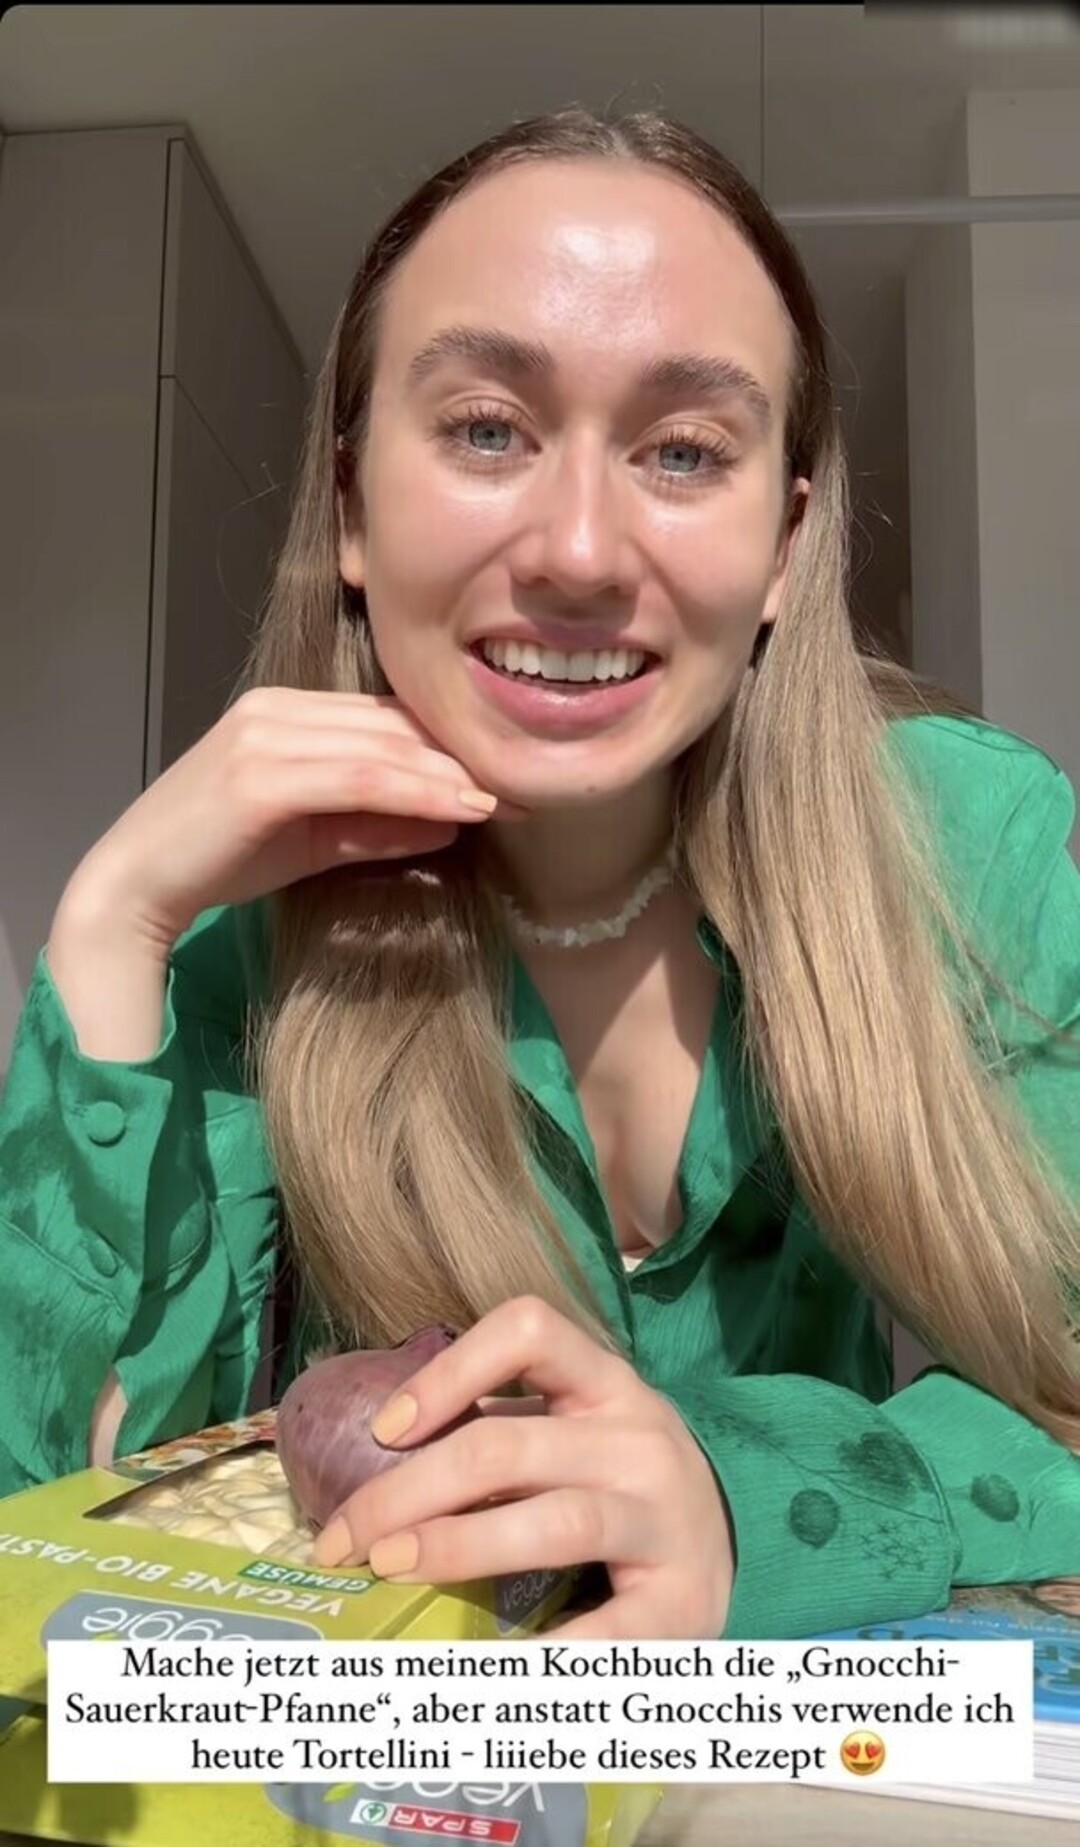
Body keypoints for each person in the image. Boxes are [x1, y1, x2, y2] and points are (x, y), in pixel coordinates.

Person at [1, 106, 1078, 1643]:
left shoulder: (965, 849)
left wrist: (744, 1495)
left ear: (784, 549)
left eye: (685, 451)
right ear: (352, 507)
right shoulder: (250, 952)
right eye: (488, 430)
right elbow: (74, 1518)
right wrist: (114, 924)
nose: (579, 551)